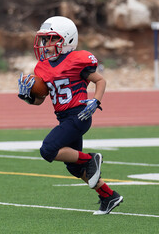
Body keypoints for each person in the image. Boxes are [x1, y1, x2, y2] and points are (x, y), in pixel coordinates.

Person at [18, 16, 123, 215]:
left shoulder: (76, 60)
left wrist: (96, 101)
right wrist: (28, 97)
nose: (45, 45)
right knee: (74, 167)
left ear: (66, 40)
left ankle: (91, 159)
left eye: (50, 39)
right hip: (65, 119)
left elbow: (100, 80)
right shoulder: (42, 67)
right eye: (43, 40)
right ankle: (109, 196)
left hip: (80, 115)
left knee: (48, 149)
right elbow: (41, 99)